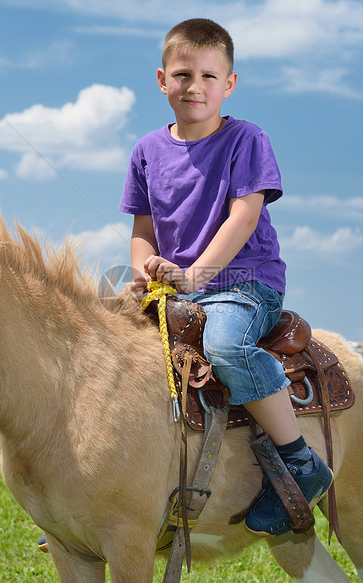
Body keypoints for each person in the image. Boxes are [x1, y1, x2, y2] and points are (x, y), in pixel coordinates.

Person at [120, 17, 333, 537]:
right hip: (178, 285)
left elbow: (243, 215)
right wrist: (143, 270)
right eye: (183, 74)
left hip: (244, 281)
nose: (195, 86)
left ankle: (301, 461)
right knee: (98, 337)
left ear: (229, 83)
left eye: (209, 76)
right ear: (161, 79)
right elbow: (143, 230)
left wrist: (196, 275)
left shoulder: (246, 139)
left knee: (225, 346)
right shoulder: (147, 150)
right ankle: (94, 490)